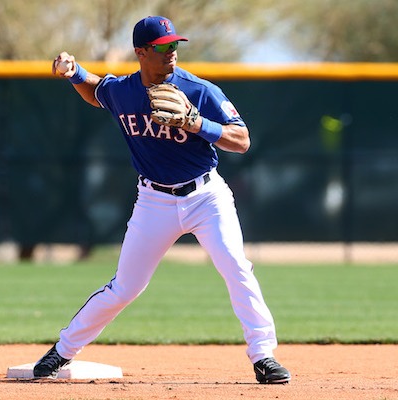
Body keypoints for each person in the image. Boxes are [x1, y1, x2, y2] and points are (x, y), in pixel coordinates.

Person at [33, 16, 291, 384]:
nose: (171, 53)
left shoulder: (199, 90)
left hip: (206, 196)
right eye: (162, 47)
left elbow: (241, 139)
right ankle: (61, 351)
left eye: (175, 45)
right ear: (140, 52)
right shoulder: (123, 90)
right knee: (125, 286)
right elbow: (96, 91)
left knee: (236, 267)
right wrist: (74, 72)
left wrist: (195, 122)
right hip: (154, 201)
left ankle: (263, 355)